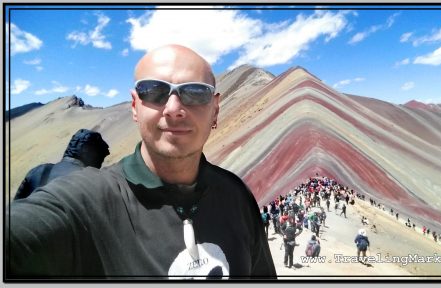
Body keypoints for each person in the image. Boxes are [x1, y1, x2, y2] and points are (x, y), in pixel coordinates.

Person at [6, 44, 276, 279]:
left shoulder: (236, 196)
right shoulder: (86, 203)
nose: (173, 109)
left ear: (215, 109)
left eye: (195, 92)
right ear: (135, 106)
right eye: (154, 91)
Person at [13, 129, 110, 200]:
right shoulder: (93, 180)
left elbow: (14, 209)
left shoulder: (38, 170)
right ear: (88, 152)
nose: (101, 163)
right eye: (100, 157)